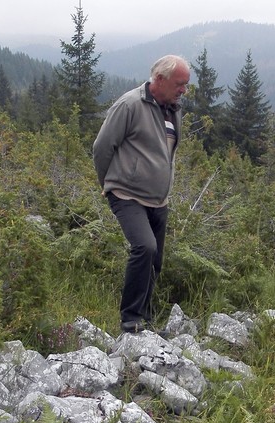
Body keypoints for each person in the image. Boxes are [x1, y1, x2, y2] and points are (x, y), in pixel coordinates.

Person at [92, 54, 190, 333]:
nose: (183, 90)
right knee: (144, 247)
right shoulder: (130, 104)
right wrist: (107, 183)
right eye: (180, 83)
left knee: (155, 259)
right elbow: (102, 147)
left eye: (186, 85)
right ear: (159, 79)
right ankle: (131, 320)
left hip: (159, 199)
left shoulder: (172, 110)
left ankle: (144, 321)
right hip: (127, 193)